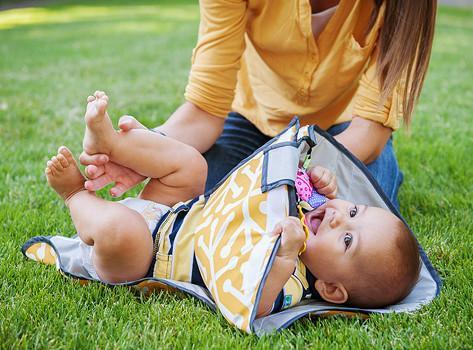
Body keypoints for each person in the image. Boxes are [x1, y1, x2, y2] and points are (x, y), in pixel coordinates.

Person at [45, 92, 419, 314]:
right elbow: (308, 190)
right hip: (177, 212)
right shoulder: (313, 211)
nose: (339, 219)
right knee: (193, 165)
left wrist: (285, 256)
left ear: (332, 290)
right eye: (354, 211)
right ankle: (113, 144)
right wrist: (325, 186)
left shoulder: (295, 281)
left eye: (348, 240)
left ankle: (76, 196)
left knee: (121, 229)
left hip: (148, 255)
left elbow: (255, 304)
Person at [78, 1, 437, 210]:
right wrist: (149, 149)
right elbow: (203, 112)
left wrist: (287, 174)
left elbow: (369, 132)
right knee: (203, 204)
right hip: (252, 119)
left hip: (345, 134)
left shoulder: (405, 6)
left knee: (356, 221)